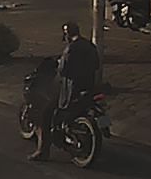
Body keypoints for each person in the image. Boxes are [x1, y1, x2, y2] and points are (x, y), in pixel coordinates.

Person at [29, 21, 99, 162]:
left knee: (46, 114)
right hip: (88, 87)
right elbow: (96, 64)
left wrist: (59, 66)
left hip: (71, 90)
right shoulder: (89, 45)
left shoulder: (71, 49)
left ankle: (42, 151)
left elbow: (63, 70)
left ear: (67, 34)